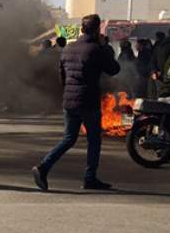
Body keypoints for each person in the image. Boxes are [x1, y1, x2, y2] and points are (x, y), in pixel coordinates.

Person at [32, 14, 120, 192]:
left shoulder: (68, 48)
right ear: (96, 30)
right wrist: (105, 47)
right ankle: (90, 178)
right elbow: (114, 69)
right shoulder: (96, 49)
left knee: (68, 139)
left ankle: (43, 167)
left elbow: (62, 76)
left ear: (82, 29)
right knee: (94, 140)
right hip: (88, 100)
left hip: (70, 100)